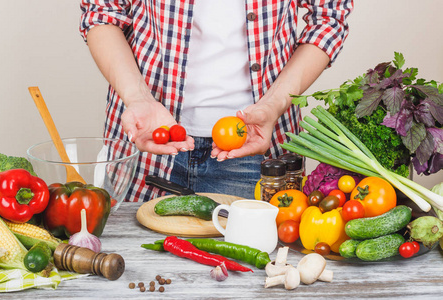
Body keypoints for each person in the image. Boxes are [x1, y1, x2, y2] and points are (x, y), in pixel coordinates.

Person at [80, 0, 354, 202]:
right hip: (148, 142)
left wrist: (274, 103)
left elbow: (329, 17)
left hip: (254, 148)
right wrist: (138, 98)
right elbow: (102, 13)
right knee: (130, 267)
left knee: (253, 273)